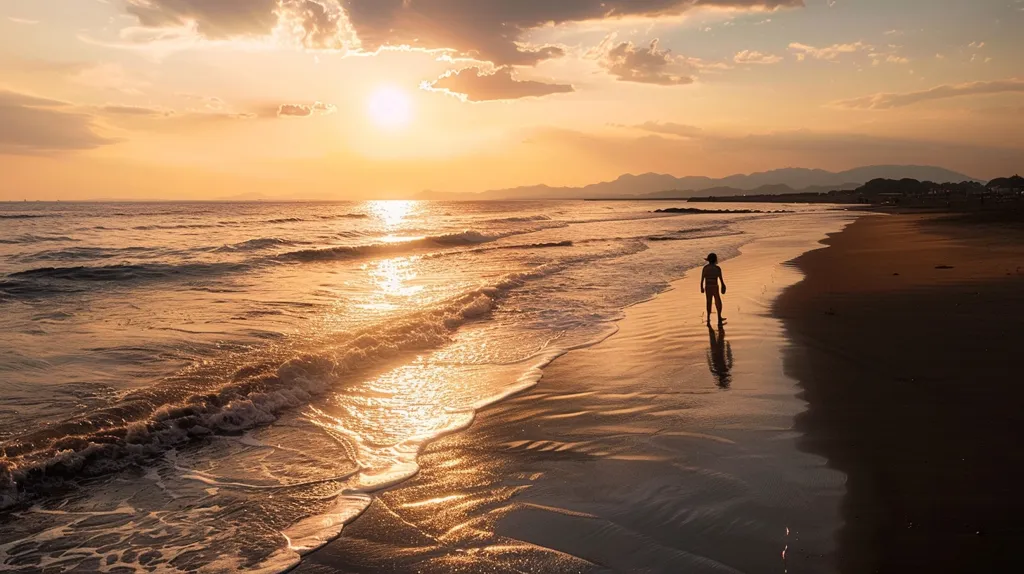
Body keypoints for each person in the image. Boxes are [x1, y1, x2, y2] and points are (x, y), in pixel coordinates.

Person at [700, 253, 727, 325]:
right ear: (715, 259)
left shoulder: (705, 268)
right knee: (718, 301)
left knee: (708, 302)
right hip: (715, 286)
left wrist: (701, 287)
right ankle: (719, 316)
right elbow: (721, 279)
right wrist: (723, 286)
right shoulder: (717, 268)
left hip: (708, 286)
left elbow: (702, 279)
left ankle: (708, 318)